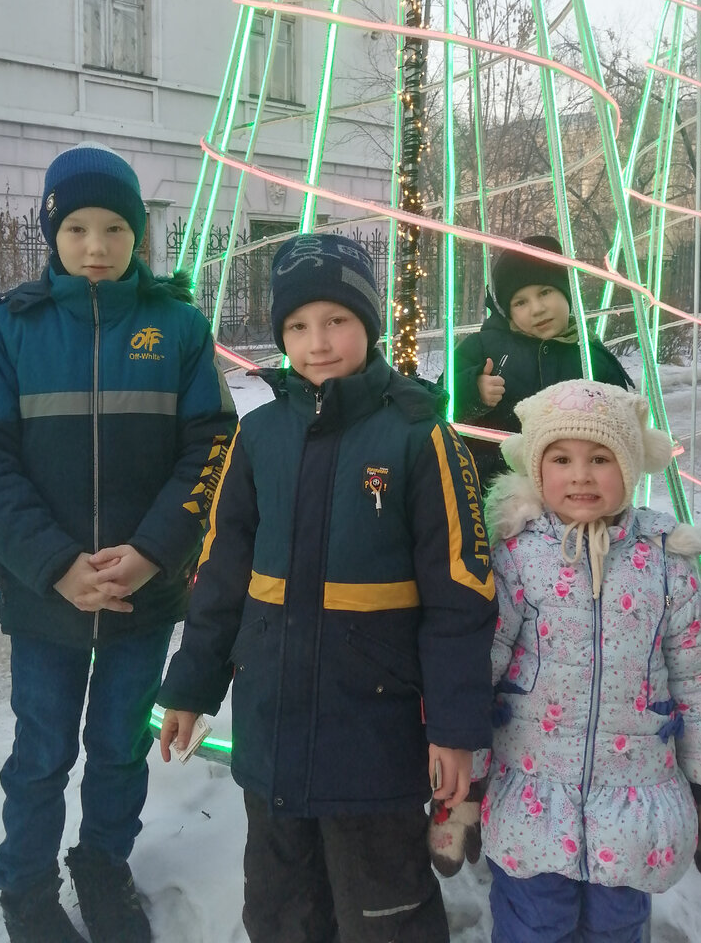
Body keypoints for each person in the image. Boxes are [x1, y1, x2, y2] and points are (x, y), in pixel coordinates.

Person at [157, 233, 498, 943]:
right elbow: (221, 574)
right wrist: (191, 687)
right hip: (273, 729)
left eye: (337, 321)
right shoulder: (258, 438)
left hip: (373, 735)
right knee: (283, 910)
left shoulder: (418, 436)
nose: (318, 342)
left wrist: (458, 730)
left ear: (368, 326)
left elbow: (459, 596)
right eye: (299, 326)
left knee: (384, 911)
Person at [0, 142, 237, 943]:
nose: (98, 247)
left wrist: (154, 551)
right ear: (53, 234)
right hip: (47, 602)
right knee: (41, 752)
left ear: (139, 234)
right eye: (78, 229)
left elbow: (211, 444)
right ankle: (26, 888)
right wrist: (56, 566)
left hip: (146, 595)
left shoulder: (176, 326)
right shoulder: (12, 330)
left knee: (116, 749)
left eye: (115, 228)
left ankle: (104, 866)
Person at [476, 379, 701, 943]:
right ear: (537, 468)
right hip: (533, 797)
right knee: (534, 926)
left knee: (617, 927)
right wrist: (466, 791)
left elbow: (697, 681)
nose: (581, 475)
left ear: (630, 465)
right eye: (562, 459)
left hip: (635, 804)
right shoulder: (517, 556)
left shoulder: (665, 559)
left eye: (600, 458)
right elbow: (480, 671)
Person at [451, 236, 633, 489]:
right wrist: (473, 389)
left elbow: (622, 423)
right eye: (520, 302)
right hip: (494, 489)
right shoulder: (484, 347)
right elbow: (442, 399)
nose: (537, 309)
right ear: (508, 311)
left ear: (566, 292)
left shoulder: (590, 355)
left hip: (575, 490)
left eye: (545, 292)